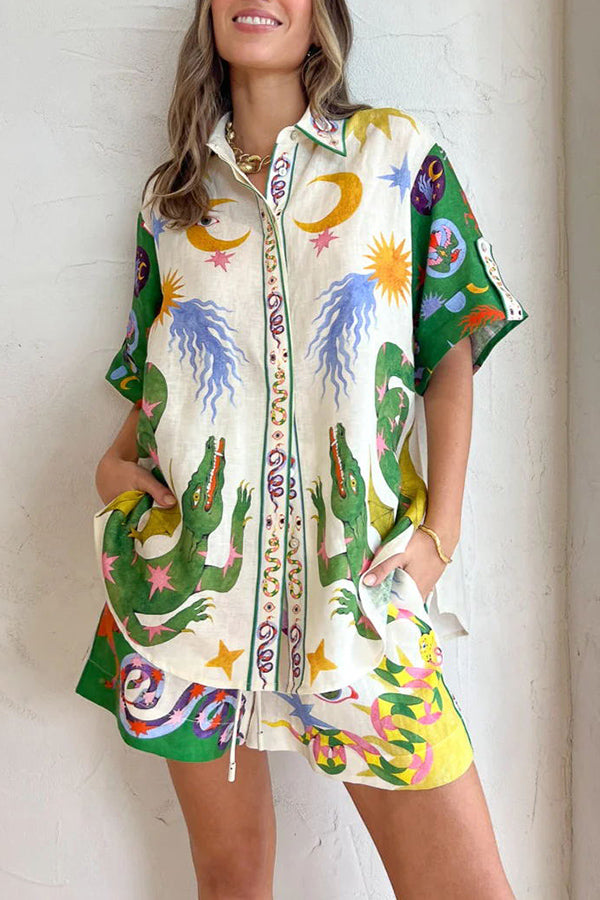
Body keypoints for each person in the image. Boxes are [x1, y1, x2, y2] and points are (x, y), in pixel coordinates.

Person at [75, 1, 528, 896]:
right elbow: (151, 384)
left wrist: (440, 535)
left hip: (358, 600)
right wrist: (110, 468)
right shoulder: (172, 201)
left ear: (321, 17)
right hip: (191, 600)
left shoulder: (395, 157)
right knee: (232, 880)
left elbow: (450, 347)